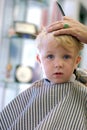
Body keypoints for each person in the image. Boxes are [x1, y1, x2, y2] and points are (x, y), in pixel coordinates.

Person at [0, 29, 87, 130]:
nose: (58, 64)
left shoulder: (82, 93)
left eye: (66, 57)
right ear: (39, 60)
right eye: (50, 56)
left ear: (76, 61)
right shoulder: (33, 91)